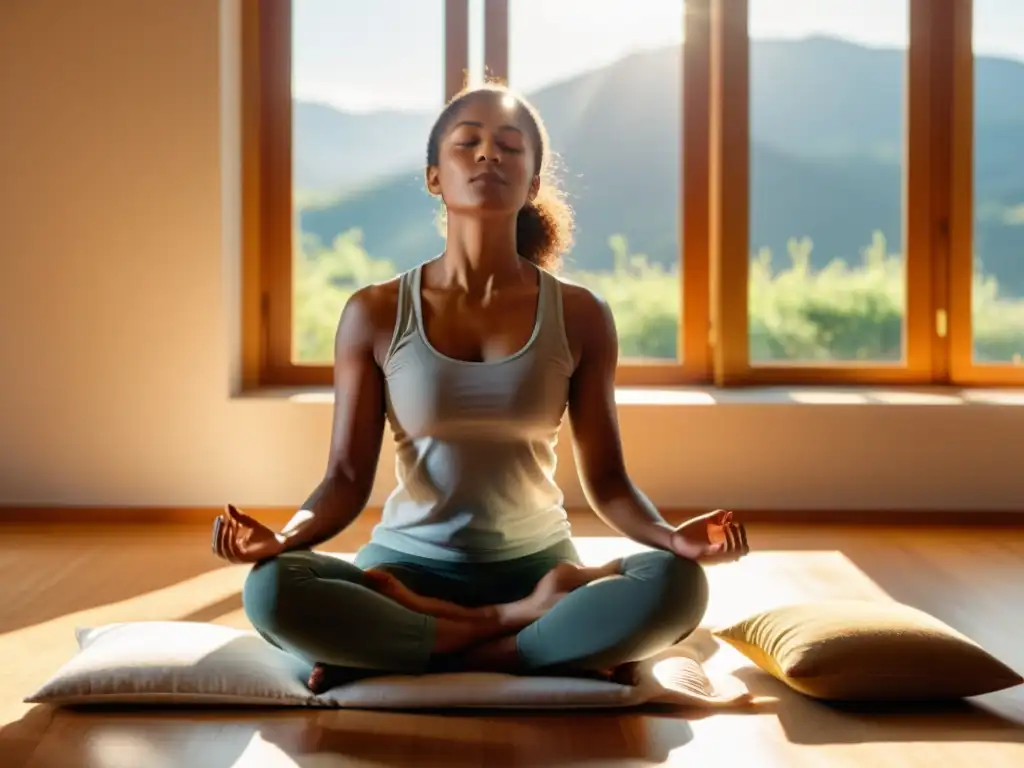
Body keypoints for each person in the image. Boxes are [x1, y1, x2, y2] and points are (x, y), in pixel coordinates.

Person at [212, 83, 749, 693]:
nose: (488, 155)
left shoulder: (580, 314)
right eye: (467, 143)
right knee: (272, 589)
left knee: (678, 585)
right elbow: (343, 479)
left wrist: (670, 537)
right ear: (435, 177)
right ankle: (521, 635)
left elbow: (609, 481)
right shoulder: (376, 312)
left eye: (510, 147)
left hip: (539, 568)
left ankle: (420, 645)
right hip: (406, 573)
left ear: (532, 181)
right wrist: (280, 539)